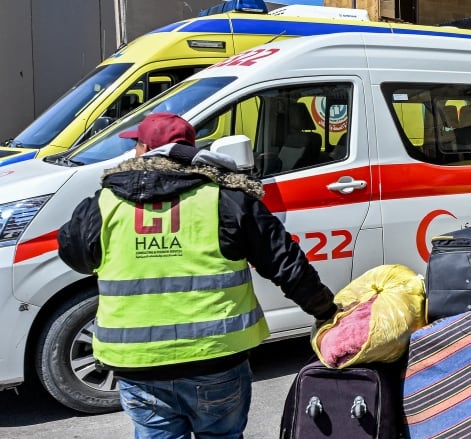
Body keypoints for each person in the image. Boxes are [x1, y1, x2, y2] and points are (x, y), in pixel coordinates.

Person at [57, 112, 337, 438]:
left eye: (136, 144)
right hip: (216, 359)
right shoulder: (226, 197)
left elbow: (74, 254)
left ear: (145, 148)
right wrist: (326, 312)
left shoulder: (105, 202)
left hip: (138, 363)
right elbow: (284, 263)